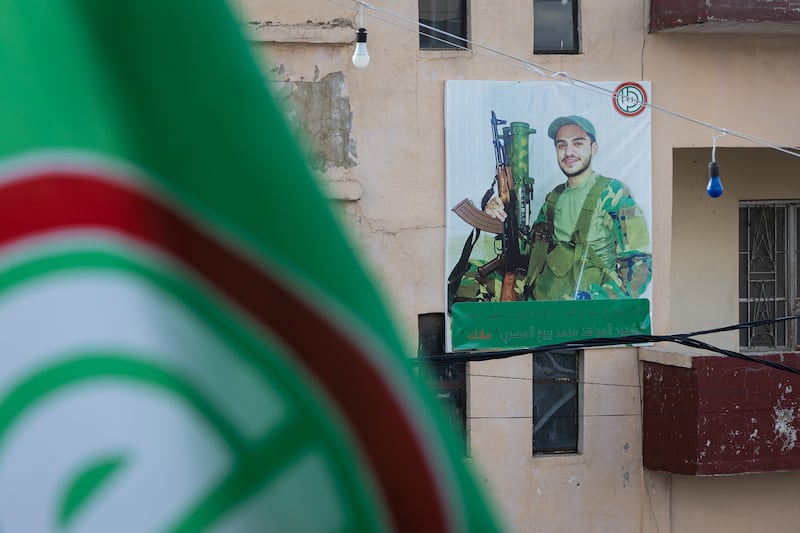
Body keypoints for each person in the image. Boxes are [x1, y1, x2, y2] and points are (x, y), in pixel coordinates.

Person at [474, 115, 652, 301]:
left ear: (594, 148)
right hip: (546, 297)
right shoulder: (554, 197)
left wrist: (597, 301)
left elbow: (640, 264)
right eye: (561, 145)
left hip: (588, 308)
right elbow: (530, 253)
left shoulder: (614, 194)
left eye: (578, 143)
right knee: (467, 283)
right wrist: (501, 219)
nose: (568, 152)